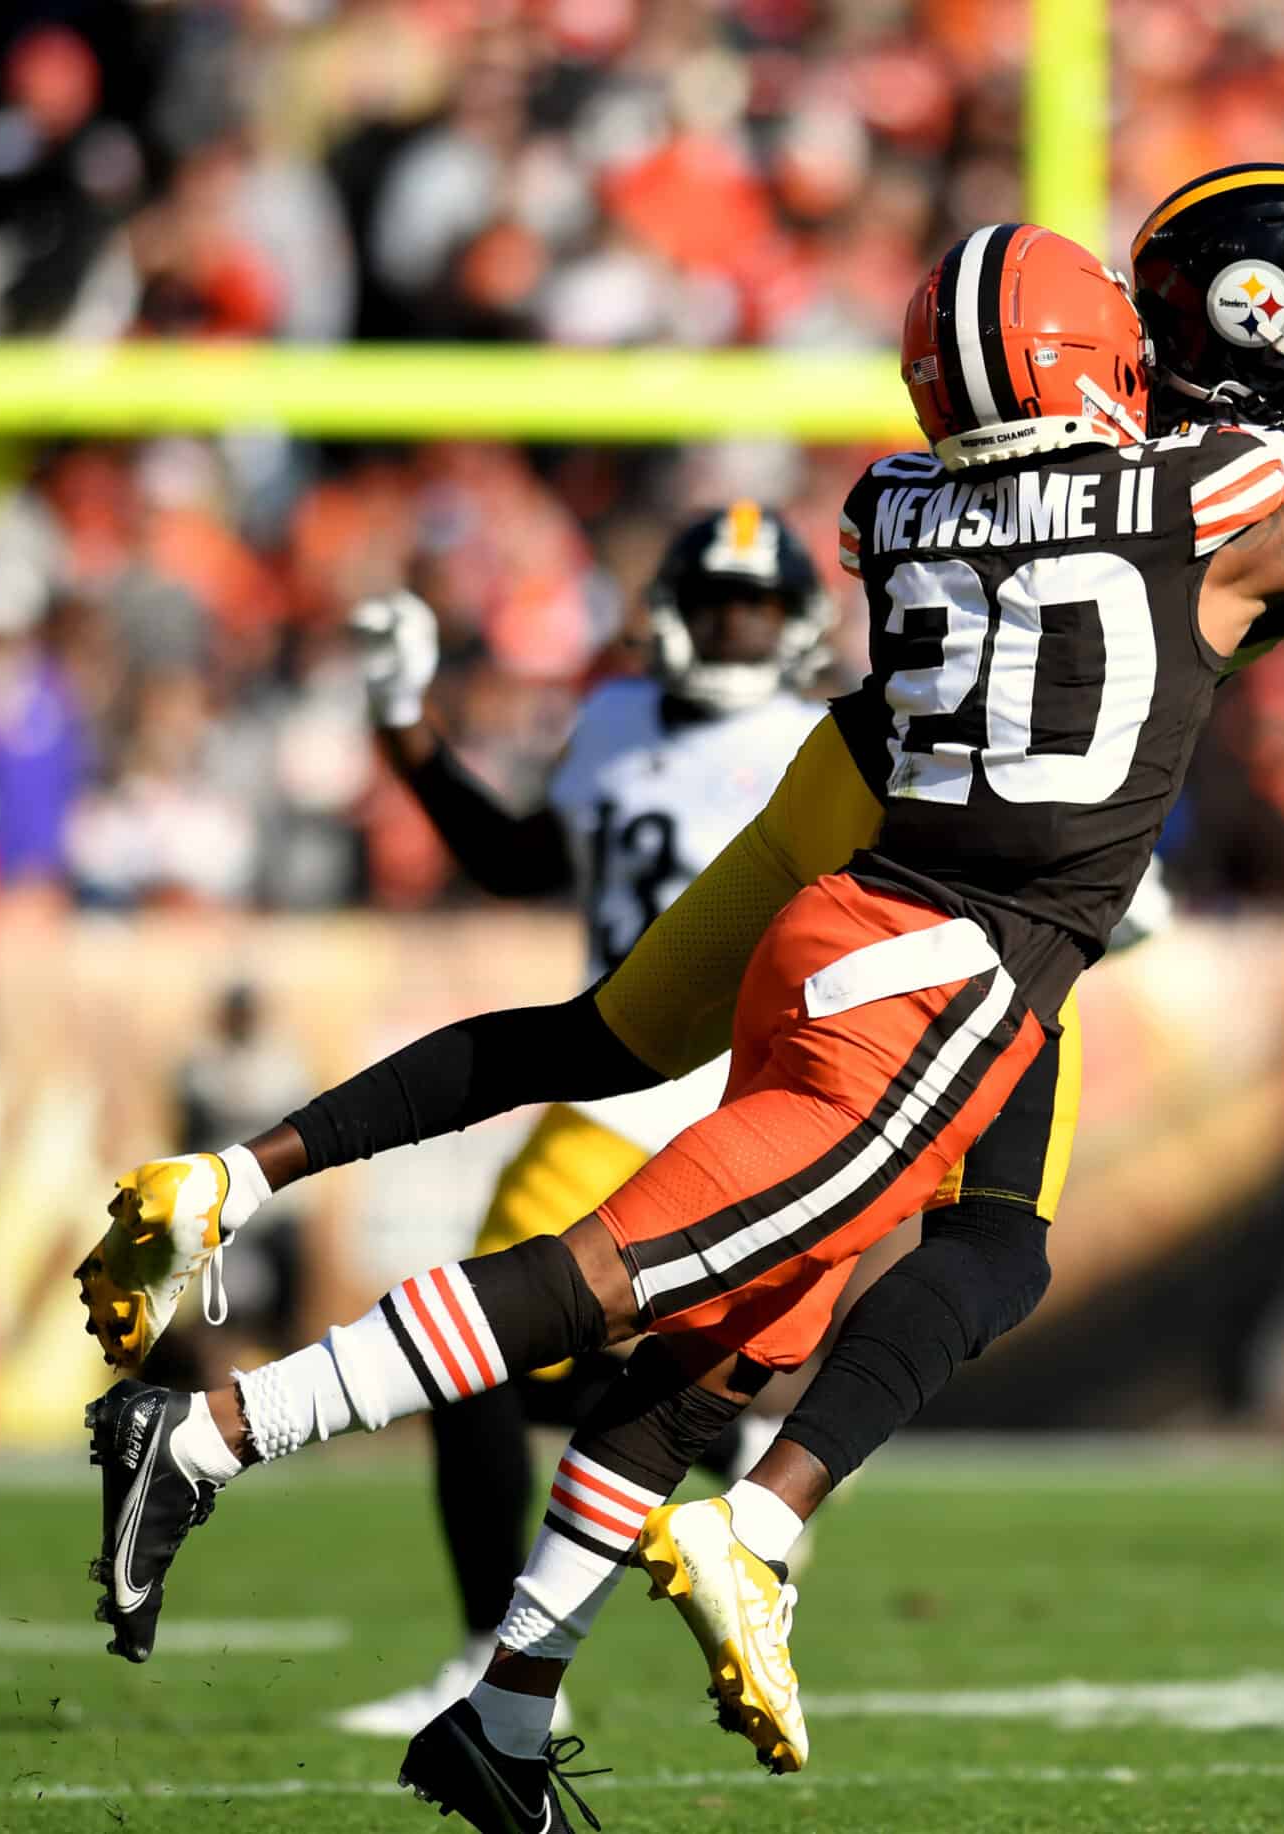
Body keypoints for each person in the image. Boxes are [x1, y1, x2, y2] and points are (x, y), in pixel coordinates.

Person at [75, 221, 1284, 1832]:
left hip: (869, 924)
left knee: (725, 1340)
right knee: (622, 1276)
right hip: (937, 974)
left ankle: (508, 1709)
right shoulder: (1197, 492)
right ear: (1089, 367)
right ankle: (217, 1430)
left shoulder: (900, 499)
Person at [330, 506, 830, 1737]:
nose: (732, 625)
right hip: (619, 1080)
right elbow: (509, 860)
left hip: (735, 1085)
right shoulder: (609, 723)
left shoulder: (824, 739)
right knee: (485, 1351)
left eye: (753, 606)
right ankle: (722, 1456)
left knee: (467, 1343)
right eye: (716, 601)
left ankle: (504, 1655)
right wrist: (407, 726)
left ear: (795, 622)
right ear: (671, 609)